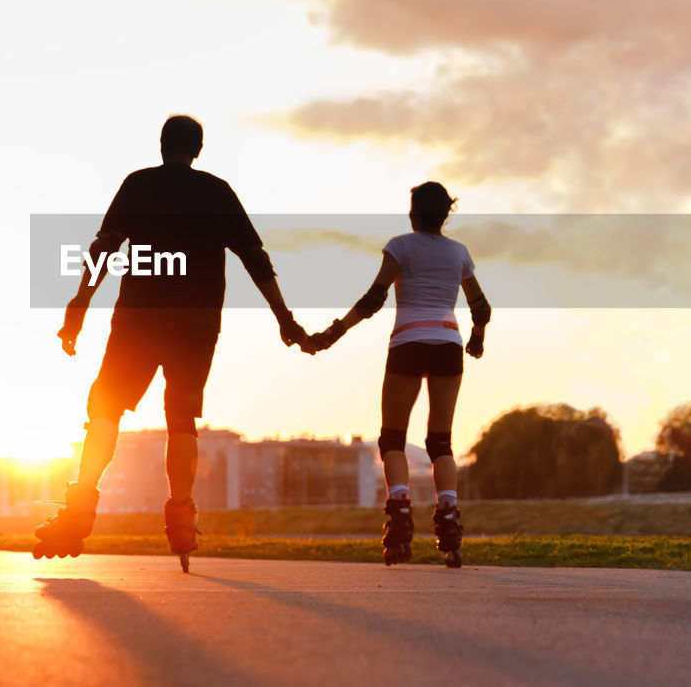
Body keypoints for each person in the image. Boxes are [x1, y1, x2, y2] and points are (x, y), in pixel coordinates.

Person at [35, 115, 307, 571]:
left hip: (139, 319)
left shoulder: (138, 185)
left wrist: (80, 301)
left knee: (105, 406)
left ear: (161, 146)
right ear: (198, 149)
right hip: (196, 325)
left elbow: (104, 246)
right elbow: (255, 258)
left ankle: (81, 505)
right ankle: (181, 518)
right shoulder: (217, 191)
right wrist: (285, 317)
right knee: (181, 417)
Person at [305, 182, 490, 567]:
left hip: (407, 341)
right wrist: (477, 339)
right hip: (448, 342)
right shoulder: (459, 253)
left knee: (393, 438)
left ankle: (401, 518)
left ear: (415, 213)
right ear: (445, 214)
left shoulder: (401, 246)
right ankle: (450, 525)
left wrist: (333, 333)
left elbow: (375, 298)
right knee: (441, 442)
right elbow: (481, 306)